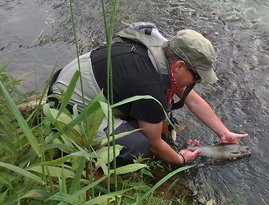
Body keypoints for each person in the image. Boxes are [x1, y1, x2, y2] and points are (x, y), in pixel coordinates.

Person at [47, 22, 248, 165]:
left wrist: (223, 133)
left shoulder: (161, 54)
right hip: (67, 104)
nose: (198, 82)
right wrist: (180, 159)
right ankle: (93, 168)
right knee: (136, 144)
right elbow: (153, 143)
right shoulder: (150, 87)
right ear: (179, 66)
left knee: (162, 121)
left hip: (76, 78)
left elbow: (193, 100)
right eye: (197, 76)